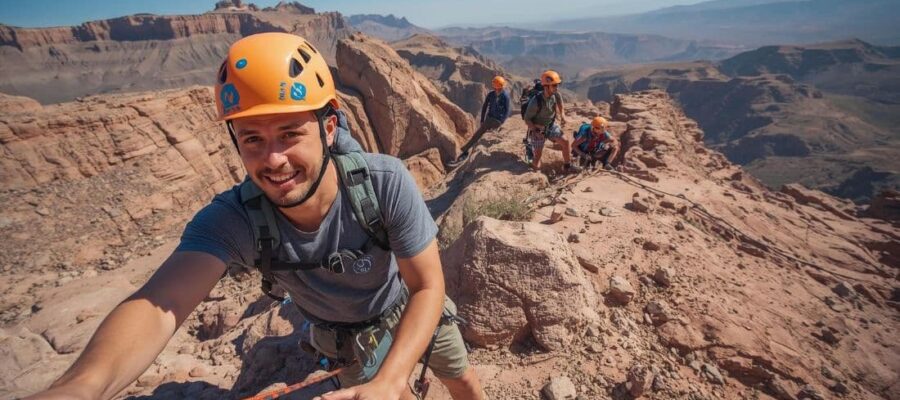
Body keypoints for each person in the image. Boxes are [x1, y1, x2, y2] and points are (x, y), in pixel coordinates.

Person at [26, 32, 484, 400]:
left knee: (463, 382)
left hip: (406, 310)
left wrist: (393, 375)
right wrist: (81, 386)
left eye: (289, 133)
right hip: (346, 340)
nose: (275, 159)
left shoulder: (383, 183)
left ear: (328, 127)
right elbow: (159, 304)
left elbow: (426, 284)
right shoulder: (235, 220)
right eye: (253, 140)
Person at [523, 70, 582, 173]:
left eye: (557, 85)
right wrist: (535, 131)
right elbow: (527, 119)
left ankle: (567, 166)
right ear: (546, 86)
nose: (556, 87)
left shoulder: (555, 95)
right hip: (538, 128)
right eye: (554, 85)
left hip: (550, 125)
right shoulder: (535, 101)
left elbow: (560, 104)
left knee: (566, 141)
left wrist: (562, 116)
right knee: (537, 160)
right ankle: (533, 165)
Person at [448, 75, 511, 167]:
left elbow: (506, 110)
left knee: (477, 135)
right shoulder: (492, 94)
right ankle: (464, 152)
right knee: (478, 135)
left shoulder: (505, 96)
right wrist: (482, 119)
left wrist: (501, 121)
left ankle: (464, 152)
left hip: (496, 120)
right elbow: (485, 106)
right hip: (490, 119)